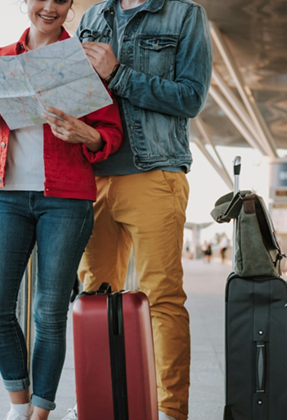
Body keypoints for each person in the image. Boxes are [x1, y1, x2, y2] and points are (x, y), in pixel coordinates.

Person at [0, 1, 123, 418]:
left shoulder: (85, 60)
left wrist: (85, 133)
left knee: (48, 312)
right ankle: (18, 404)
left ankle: (38, 413)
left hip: (67, 199)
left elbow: (110, 134)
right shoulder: (0, 58)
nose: (50, 7)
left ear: (71, 5)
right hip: (9, 195)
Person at [70, 1, 212, 419]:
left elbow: (191, 97)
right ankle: (97, 403)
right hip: (93, 175)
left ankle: (169, 410)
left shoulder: (184, 15)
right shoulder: (93, 18)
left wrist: (118, 74)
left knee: (161, 298)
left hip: (156, 173)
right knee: (94, 296)